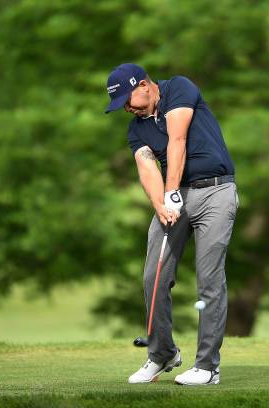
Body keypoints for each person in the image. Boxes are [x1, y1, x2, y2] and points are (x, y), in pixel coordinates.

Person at [105, 63, 238, 385]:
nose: (127, 108)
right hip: (174, 200)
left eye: (128, 99)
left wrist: (172, 189)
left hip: (216, 192)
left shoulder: (179, 88)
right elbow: (147, 166)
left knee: (209, 281)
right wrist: (160, 203)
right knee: (154, 275)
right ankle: (162, 354)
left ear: (145, 86)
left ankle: (207, 367)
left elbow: (177, 139)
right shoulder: (136, 129)